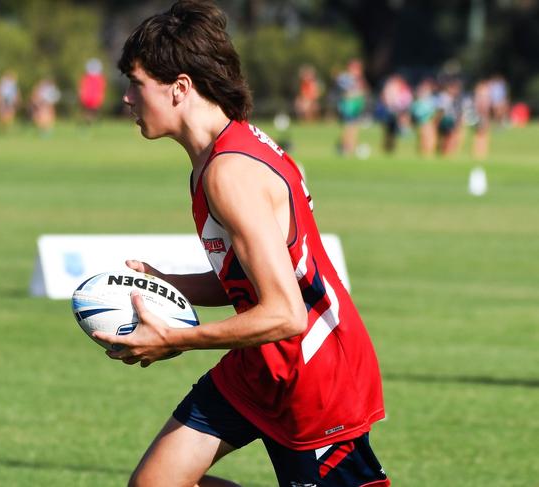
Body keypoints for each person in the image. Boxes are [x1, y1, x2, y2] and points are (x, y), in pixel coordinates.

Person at [93, 2, 389, 486]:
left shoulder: (230, 173)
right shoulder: (217, 157)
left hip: (311, 378)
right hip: (259, 366)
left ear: (180, 88)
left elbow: (284, 312)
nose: (126, 98)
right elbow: (253, 280)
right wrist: (168, 284)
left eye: (136, 83)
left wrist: (175, 339)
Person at [335, 59, 368, 156]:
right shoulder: (345, 78)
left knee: (355, 126)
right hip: (348, 105)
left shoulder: (359, 79)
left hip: (357, 105)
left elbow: (363, 91)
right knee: (348, 126)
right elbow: (345, 92)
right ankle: (345, 147)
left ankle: (352, 147)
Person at [410, 78, 438, 157]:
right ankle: (424, 153)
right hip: (423, 121)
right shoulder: (418, 102)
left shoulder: (430, 99)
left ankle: (428, 153)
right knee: (424, 137)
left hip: (429, 121)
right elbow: (416, 112)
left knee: (431, 137)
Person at [78, 58, 107, 124]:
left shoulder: (94, 78)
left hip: (91, 97)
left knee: (90, 111)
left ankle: (89, 121)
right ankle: (89, 121)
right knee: (90, 110)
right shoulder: (97, 78)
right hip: (91, 97)